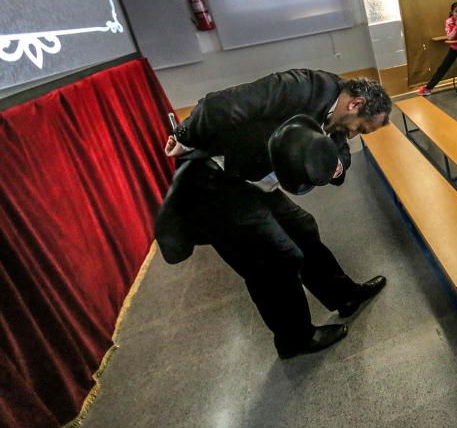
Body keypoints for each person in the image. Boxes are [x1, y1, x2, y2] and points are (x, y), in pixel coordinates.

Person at [160, 71, 391, 358]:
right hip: (215, 180)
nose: (354, 134)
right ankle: (294, 339)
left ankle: (344, 297)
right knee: (275, 258)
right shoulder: (300, 86)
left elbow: (340, 154)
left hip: (255, 181)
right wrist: (185, 137)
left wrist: (337, 167)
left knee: (303, 228)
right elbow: (217, 105)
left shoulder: (339, 119)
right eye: (361, 128)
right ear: (355, 104)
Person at [416, 2, 457, 96]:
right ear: (452, 12)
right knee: (443, 67)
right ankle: (428, 88)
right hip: (454, 47)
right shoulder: (449, 21)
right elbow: (449, 37)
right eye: (456, 11)